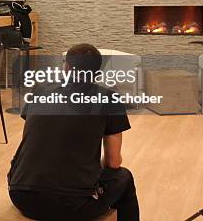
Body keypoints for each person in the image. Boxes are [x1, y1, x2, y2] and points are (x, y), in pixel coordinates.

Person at [8, 44, 139, 221]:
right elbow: (113, 162)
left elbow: (38, 140)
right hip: (72, 206)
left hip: (21, 195)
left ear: (66, 67)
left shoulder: (40, 89)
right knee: (124, 178)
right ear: (97, 73)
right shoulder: (109, 98)